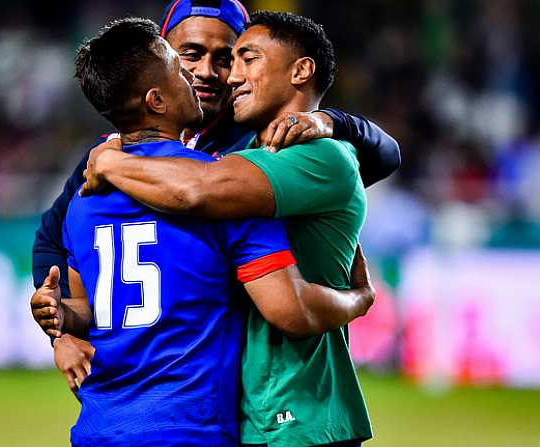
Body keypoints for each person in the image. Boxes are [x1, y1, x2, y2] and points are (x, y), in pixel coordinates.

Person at [60, 17, 374, 446]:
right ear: (156, 98)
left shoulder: (87, 197)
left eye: (246, 58)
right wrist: (360, 298)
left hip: (293, 419)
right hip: (208, 423)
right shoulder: (234, 177)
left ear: (300, 71)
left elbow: (196, 191)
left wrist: (112, 162)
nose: (227, 75)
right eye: (181, 64)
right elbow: (289, 308)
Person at [30, 0, 399, 304]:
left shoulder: (262, 138)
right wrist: (64, 333)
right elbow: (51, 237)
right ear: (162, 57)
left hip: (236, 373)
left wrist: (329, 120)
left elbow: (383, 156)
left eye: (226, 58)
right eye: (189, 55)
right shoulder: (117, 150)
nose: (206, 72)